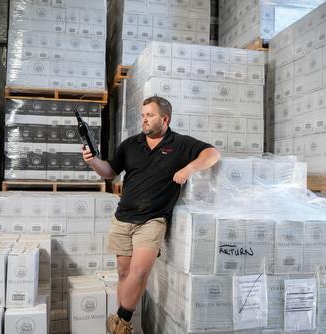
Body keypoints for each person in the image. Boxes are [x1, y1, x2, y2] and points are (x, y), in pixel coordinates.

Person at [81, 96, 221, 334]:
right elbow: (110, 172)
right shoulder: (130, 144)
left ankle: (121, 322)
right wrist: (93, 161)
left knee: (140, 271)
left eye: (150, 115)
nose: (144, 119)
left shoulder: (181, 144)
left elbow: (212, 154)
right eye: (143, 115)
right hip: (123, 217)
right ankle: (123, 323)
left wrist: (188, 168)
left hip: (153, 219)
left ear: (165, 118)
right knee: (124, 273)